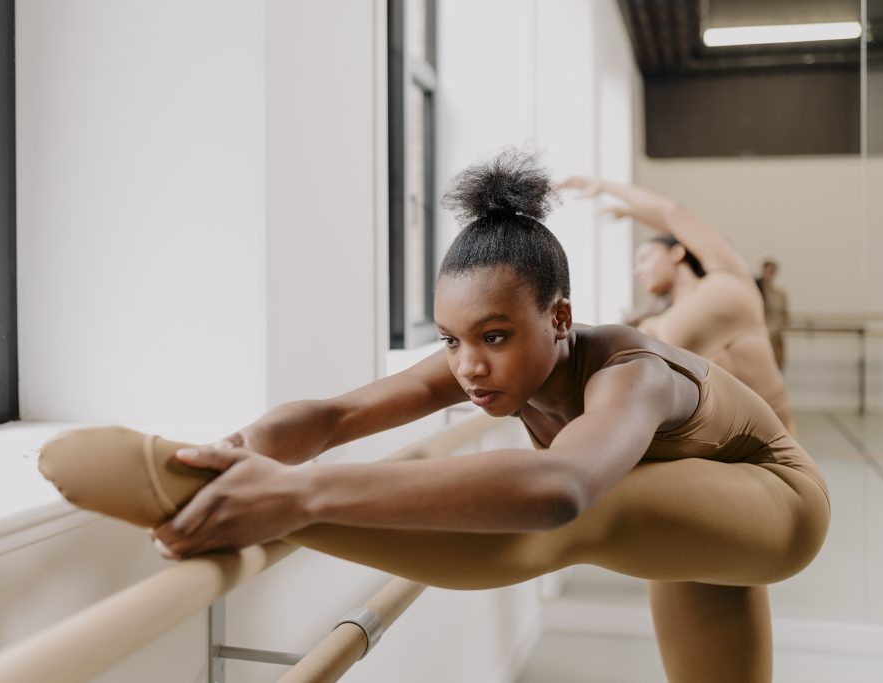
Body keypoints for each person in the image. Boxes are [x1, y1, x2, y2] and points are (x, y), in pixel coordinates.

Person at [40, 150, 829, 683]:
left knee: (590, 509)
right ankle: (212, 483)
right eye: (451, 340)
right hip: (696, 518)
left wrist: (299, 498)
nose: (468, 366)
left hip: (776, 501)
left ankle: (245, 503)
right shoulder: (489, 363)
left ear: (559, 319)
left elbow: (559, 489)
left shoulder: (633, 375)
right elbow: (336, 413)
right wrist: (234, 447)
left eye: (493, 336)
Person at [559, 177, 796, 434]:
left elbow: (671, 213)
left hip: (777, 445)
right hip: (726, 452)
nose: (638, 270)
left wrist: (606, 187)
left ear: (677, 253)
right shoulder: (661, 319)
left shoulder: (730, 280)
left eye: (645, 258)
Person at [756, 260, 789, 370]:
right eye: (767, 271)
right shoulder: (757, 292)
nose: (769, 275)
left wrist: (774, 329)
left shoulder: (780, 294)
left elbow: (785, 317)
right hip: (761, 337)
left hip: (776, 339)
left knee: (776, 371)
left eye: (771, 272)